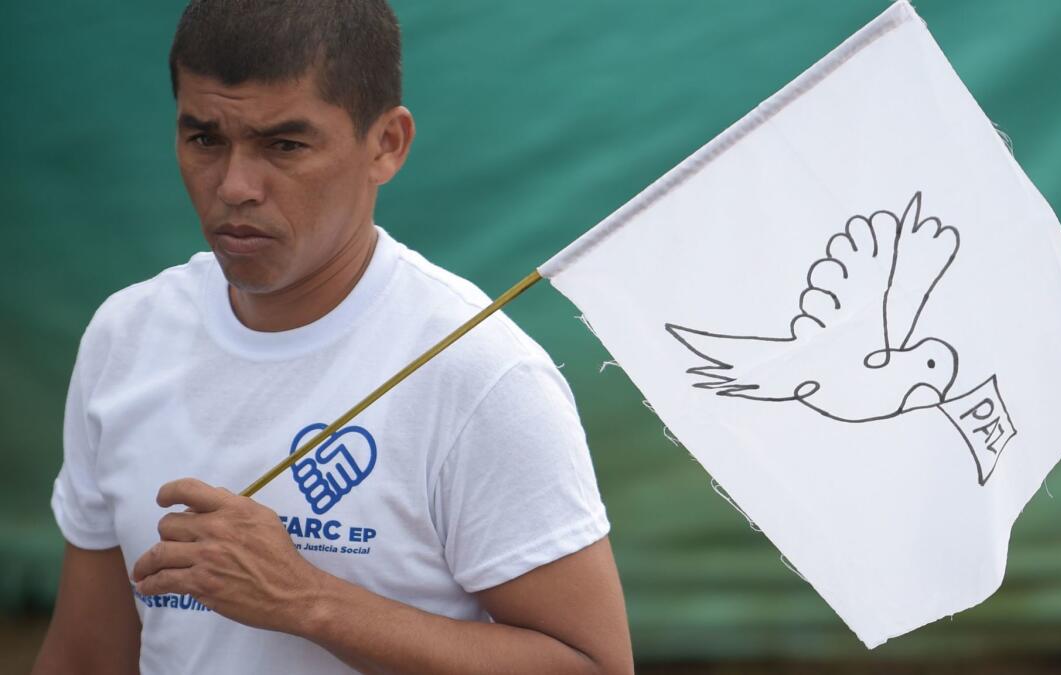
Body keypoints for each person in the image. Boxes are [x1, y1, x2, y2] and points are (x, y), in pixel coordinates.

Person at [32, 1, 633, 673]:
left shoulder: (481, 372)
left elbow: (595, 665)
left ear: (386, 145)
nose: (235, 186)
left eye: (284, 145)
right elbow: (87, 652)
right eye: (204, 138)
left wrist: (310, 600)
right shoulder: (127, 335)